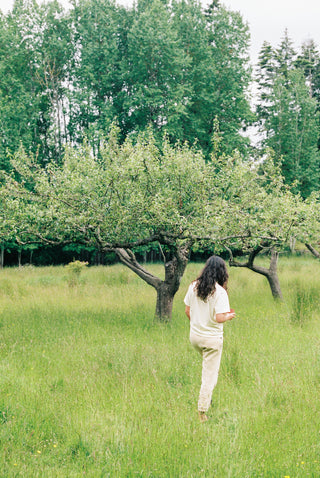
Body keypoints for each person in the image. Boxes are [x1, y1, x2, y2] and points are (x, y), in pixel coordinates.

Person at [184, 256, 235, 423]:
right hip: (211, 340)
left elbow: (187, 311)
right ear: (222, 273)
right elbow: (219, 317)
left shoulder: (193, 286)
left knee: (209, 370)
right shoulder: (220, 292)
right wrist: (230, 316)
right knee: (209, 376)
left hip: (195, 337)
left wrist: (199, 322)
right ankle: (202, 413)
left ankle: (207, 399)